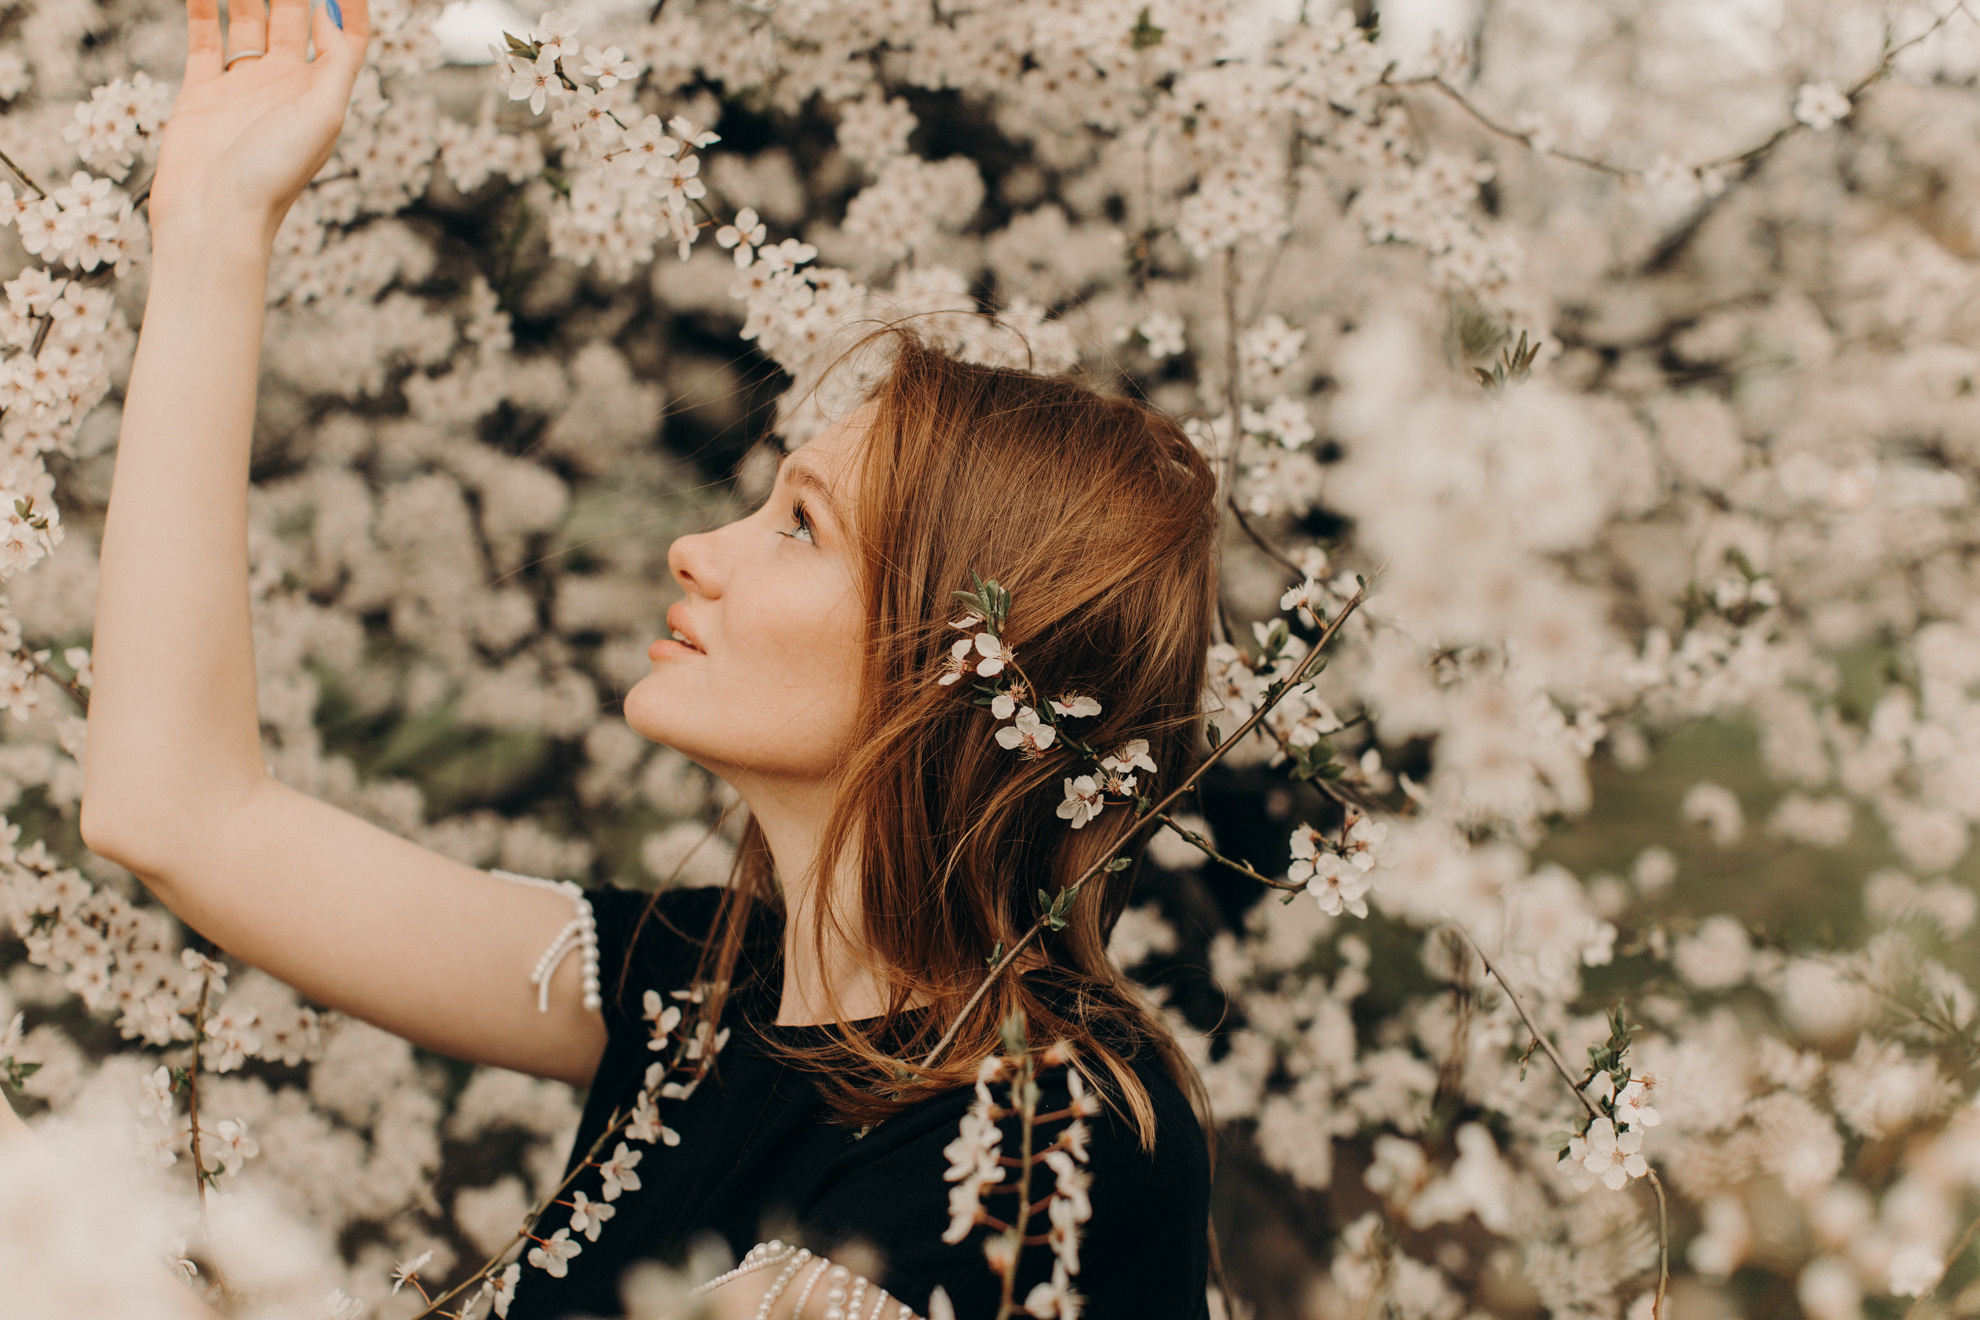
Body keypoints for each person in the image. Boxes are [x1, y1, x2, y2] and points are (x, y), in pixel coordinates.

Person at [74, 0, 1222, 1316]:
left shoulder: (1040, 1142)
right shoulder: (694, 993)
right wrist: (214, 230)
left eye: (802, 526)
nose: (694, 547)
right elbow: (178, 808)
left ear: (965, 653)